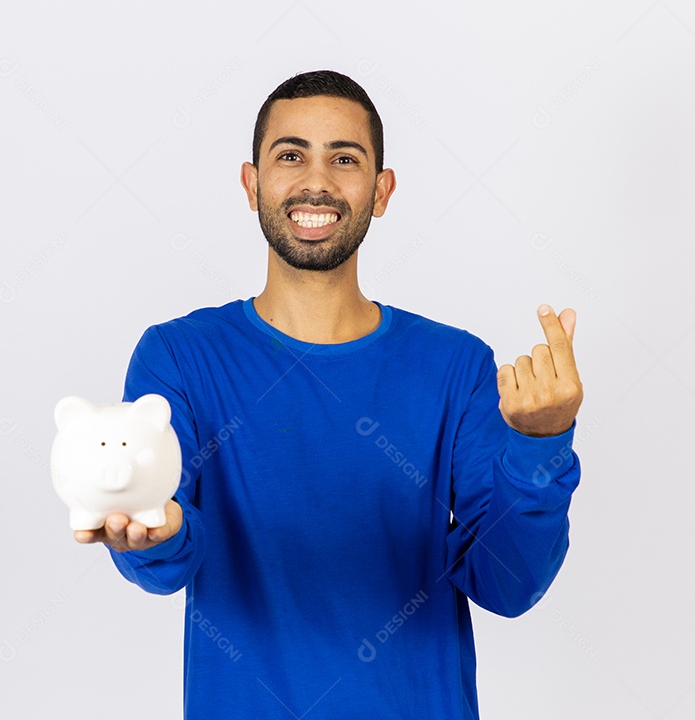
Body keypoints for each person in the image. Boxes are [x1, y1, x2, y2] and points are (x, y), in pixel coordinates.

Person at [74, 69, 584, 719]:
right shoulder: (179, 356)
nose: (316, 182)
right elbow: (165, 555)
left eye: (345, 159)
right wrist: (153, 530)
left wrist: (539, 447)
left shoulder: (455, 365)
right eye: (291, 156)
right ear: (251, 183)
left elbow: (507, 584)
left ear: (381, 190)